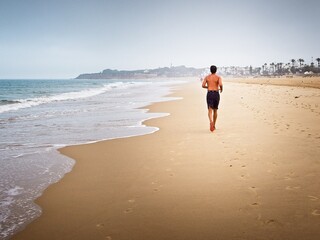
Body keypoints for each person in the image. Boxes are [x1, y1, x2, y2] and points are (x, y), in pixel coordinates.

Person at [202, 65, 223, 132]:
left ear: (210, 70)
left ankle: (211, 121)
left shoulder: (207, 77)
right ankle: (214, 125)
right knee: (215, 110)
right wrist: (221, 89)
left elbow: (203, 85)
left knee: (210, 110)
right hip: (216, 94)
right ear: (216, 70)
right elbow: (220, 84)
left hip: (210, 94)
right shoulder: (218, 77)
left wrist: (208, 87)